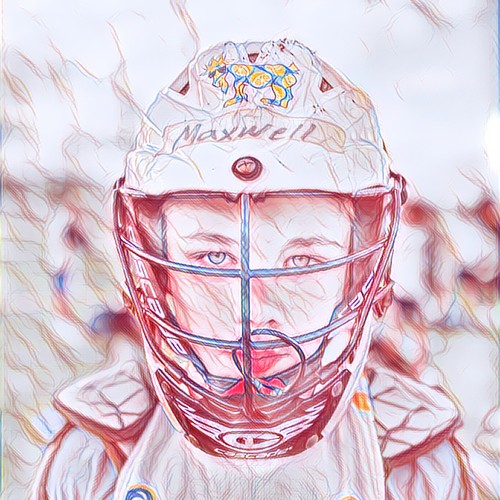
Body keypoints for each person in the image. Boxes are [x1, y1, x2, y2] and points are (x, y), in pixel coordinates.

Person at [34, 39, 478, 499]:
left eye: (302, 261)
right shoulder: (94, 456)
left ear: (357, 273)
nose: (252, 311)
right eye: (213, 258)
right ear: (158, 276)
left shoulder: (415, 462)